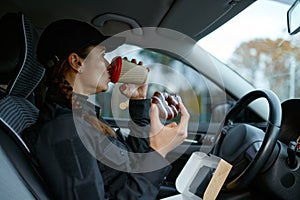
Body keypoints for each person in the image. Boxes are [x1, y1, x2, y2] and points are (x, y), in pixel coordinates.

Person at [23, 19, 190, 200]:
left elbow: (129, 164)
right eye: (102, 55)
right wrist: (158, 153)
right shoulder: (65, 131)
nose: (108, 64)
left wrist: (139, 102)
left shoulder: (82, 116)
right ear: (76, 62)